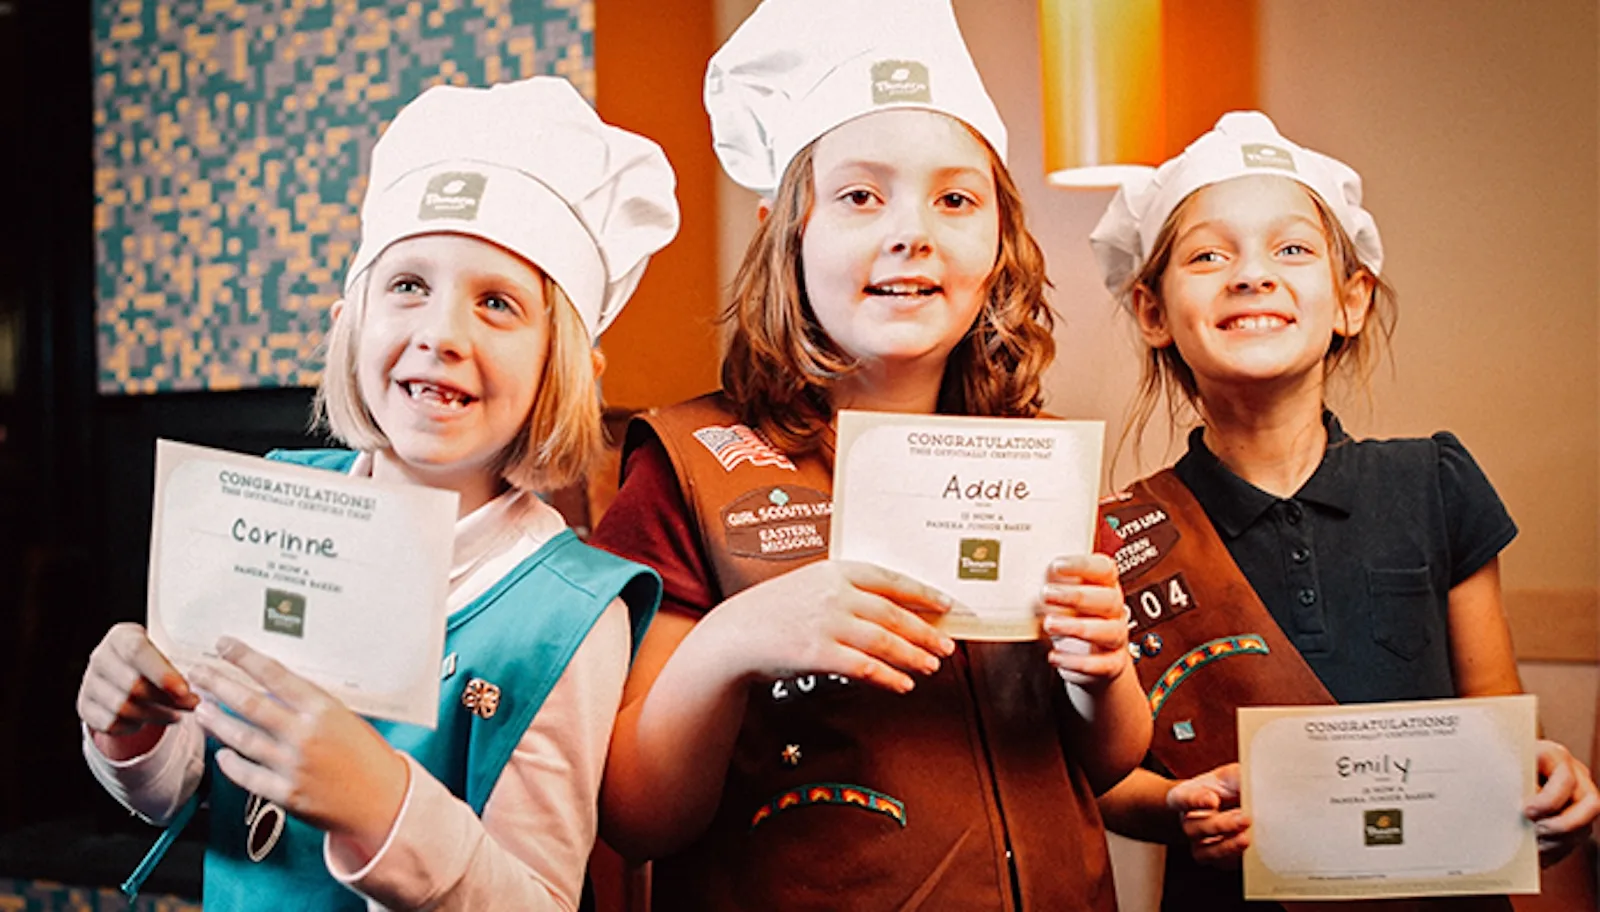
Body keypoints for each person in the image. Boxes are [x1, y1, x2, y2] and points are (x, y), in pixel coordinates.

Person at [590, 1, 1151, 908]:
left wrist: (1102, 671)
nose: (912, 230)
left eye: (957, 199)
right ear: (788, 230)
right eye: (859, 195)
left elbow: (1110, 758)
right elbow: (639, 816)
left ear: (1000, 239)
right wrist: (731, 643)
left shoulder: (1039, 469)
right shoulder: (688, 467)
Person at [74, 76, 679, 910]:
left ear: (562, 366)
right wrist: (135, 734)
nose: (440, 333)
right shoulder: (271, 505)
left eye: (497, 303)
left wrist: (381, 805)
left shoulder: (567, 616)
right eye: (407, 286)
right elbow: (191, 788)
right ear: (348, 321)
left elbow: (537, 898)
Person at [1087, 110, 1600, 910]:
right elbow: (1110, 777)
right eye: (1208, 255)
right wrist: (1174, 810)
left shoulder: (1434, 481)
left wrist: (1547, 774)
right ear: (1152, 312)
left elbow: (1497, 724)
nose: (1251, 274)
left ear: (1350, 300)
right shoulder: (1117, 537)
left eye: (1291, 249)